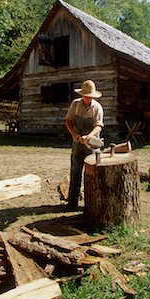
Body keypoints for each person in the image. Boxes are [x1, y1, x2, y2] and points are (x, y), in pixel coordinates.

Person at [65, 80, 104, 209]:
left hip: (92, 145)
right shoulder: (75, 105)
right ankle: (72, 203)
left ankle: (92, 204)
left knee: (92, 174)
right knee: (75, 171)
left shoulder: (97, 107)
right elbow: (68, 121)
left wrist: (90, 136)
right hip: (77, 143)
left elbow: (99, 126)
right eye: (86, 96)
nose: (88, 98)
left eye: (90, 96)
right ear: (82, 95)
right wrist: (74, 134)